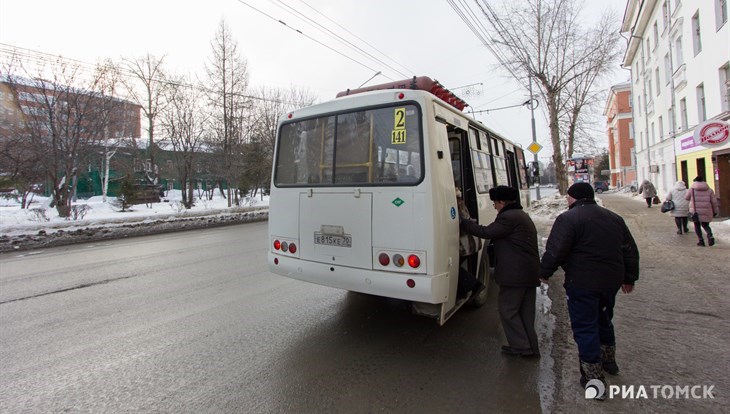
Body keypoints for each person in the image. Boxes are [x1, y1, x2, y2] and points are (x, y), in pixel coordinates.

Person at [539, 182, 639, 398]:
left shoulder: (568, 219)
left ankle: (593, 377)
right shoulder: (614, 218)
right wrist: (629, 277)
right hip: (611, 282)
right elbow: (629, 250)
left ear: (574, 197)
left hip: (582, 282)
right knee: (604, 319)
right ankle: (609, 361)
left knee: (585, 326)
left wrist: (544, 271)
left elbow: (556, 250)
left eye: (568, 197)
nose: (566, 200)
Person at [460, 185, 541, 357]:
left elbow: (486, 232)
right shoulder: (520, 215)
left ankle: (521, 347)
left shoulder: (508, 218)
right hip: (528, 272)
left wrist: (464, 223)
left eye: (495, 203)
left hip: (515, 275)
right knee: (525, 312)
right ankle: (531, 347)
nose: (494, 206)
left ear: (502, 202)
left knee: (508, 310)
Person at [685, 176, 720, 246]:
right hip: (707, 209)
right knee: (705, 225)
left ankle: (701, 241)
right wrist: (716, 210)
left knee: (697, 225)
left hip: (695, 211)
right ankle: (710, 235)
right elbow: (714, 202)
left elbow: (686, 198)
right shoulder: (709, 190)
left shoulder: (691, 190)